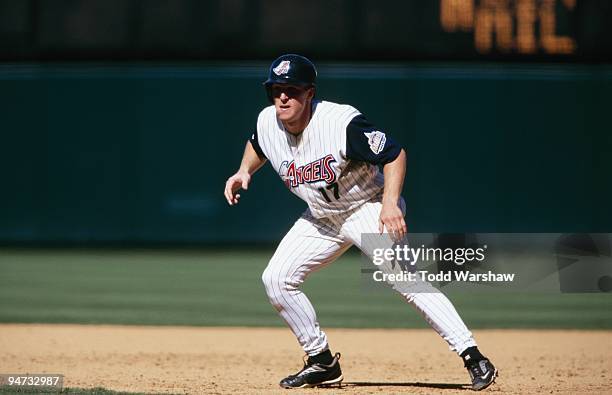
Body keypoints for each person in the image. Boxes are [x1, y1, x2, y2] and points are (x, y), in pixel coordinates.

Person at [224, 54, 497, 391]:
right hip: (321, 217)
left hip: (366, 206)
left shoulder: (341, 123)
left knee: (407, 282)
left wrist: (390, 203)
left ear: (309, 93)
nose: (282, 97)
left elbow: (395, 154)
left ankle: (474, 356)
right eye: (276, 90)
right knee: (276, 280)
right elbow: (257, 143)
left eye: (291, 90)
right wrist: (244, 171)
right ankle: (321, 361)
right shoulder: (269, 121)